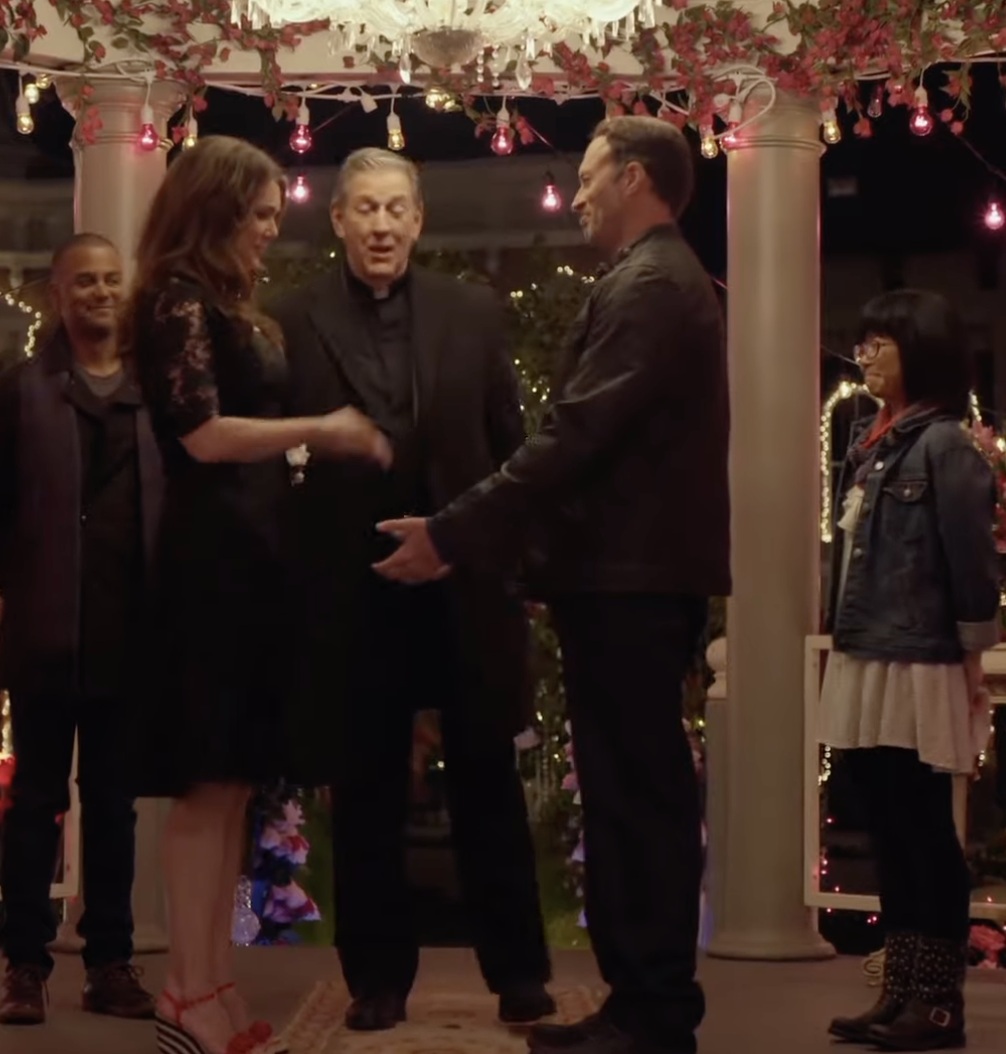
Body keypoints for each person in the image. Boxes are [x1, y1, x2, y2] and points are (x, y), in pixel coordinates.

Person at [375, 116, 729, 1054]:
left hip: (632, 580)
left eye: (589, 177)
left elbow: (575, 437)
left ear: (639, 179)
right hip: (621, 577)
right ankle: (639, 1006)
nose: (574, 197)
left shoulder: (653, 285)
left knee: (638, 798)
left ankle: (654, 1015)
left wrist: (452, 531)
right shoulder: (650, 278)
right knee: (626, 795)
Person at [271, 147, 556, 1033]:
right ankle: (376, 982)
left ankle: (518, 975)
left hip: (462, 586)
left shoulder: (474, 313)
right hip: (349, 597)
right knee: (364, 797)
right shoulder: (291, 318)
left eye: (397, 208)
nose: (383, 225)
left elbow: (513, 450)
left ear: (419, 220)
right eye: (366, 209)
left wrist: (507, 565)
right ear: (340, 220)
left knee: (488, 789)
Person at [125, 135, 392, 1054]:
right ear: (217, 210)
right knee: (206, 788)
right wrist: (320, 426)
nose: (273, 232)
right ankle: (186, 992)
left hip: (251, 561)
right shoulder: (172, 300)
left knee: (234, 785)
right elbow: (198, 435)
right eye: (262, 215)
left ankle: (212, 983)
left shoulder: (222, 305)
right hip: (209, 569)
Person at [0, 233, 159, 1025]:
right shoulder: (15, 393)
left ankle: (111, 962)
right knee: (35, 805)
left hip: (133, 636)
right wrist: (30, 586)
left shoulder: (158, 392)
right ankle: (24, 965)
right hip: (45, 633)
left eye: (112, 280)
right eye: (84, 281)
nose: (100, 293)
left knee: (115, 808)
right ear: (58, 295)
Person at [817, 290, 997, 1052]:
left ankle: (938, 1003)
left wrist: (972, 651)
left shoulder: (947, 444)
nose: (865, 356)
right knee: (888, 823)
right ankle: (901, 991)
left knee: (923, 829)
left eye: (881, 342)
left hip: (920, 655)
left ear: (920, 349)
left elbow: (971, 558)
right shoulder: (870, 440)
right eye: (863, 344)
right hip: (870, 647)